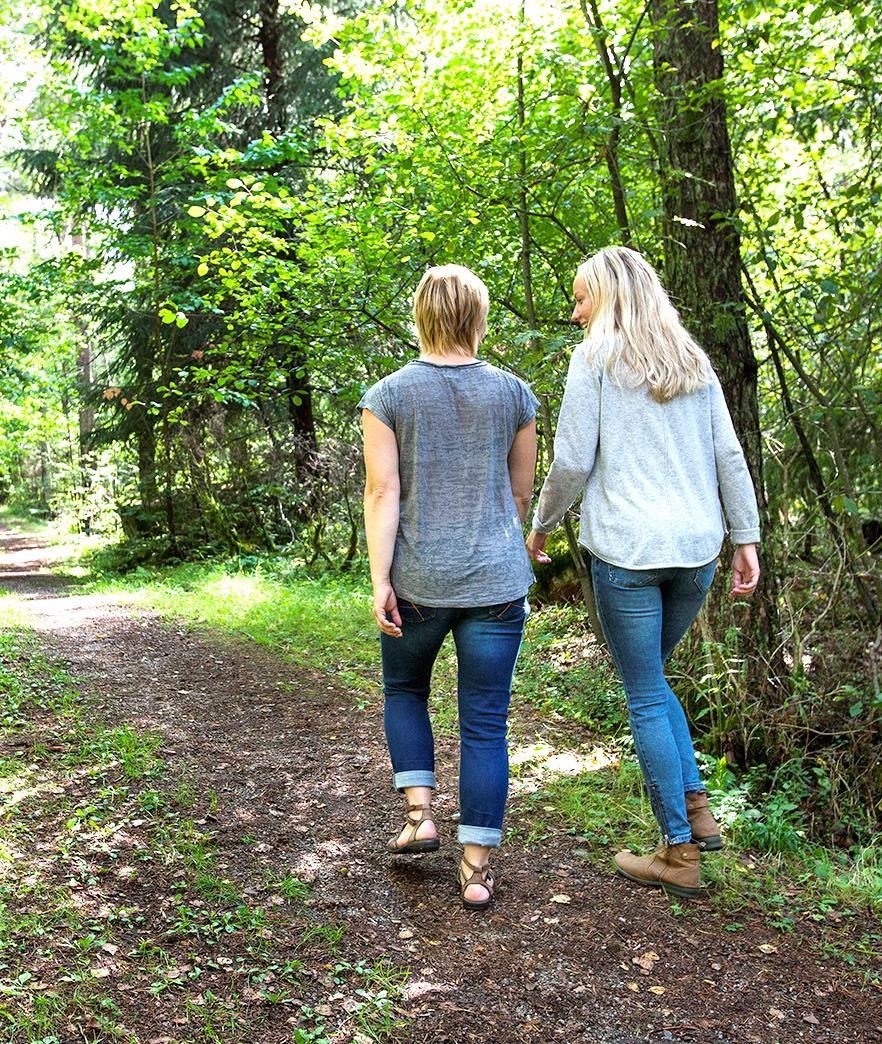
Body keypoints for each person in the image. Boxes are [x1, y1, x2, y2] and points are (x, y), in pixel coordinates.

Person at [526, 246, 760, 899]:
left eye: (581, 298)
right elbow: (729, 455)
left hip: (629, 554)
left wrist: (540, 527)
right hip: (694, 554)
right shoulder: (693, 362)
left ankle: (678, 853)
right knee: (653, 682)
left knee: (644, 692)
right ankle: (698, 809)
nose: (574, 313)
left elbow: (571, 460)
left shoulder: (596, 359)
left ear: (610, 295)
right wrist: (746, 538)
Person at [359, 264, 538, 910]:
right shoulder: (516, 394)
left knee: (405, 688)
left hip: (418, 581)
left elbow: (384, 492)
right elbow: (520, 492)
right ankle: (477, 869)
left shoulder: (388, 397)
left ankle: (420, 815)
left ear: (421, 316)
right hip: (497, 581)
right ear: (478, 316)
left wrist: (381, 578)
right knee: (486, 724)